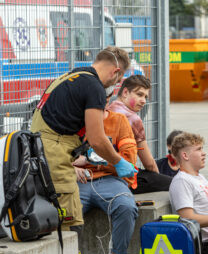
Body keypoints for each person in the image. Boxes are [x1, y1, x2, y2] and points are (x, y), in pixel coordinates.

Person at [30, 46, 137, 232]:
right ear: (116, 72)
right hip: (54, 157)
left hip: (41, 151)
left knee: (62, 223)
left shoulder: (68, 78)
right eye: (118, 80)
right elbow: (98, 139)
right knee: (69, 225)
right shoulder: (94, 87)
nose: (115, 85)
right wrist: (118, 161)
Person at [73, 105, 139, 254]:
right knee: (66, 213)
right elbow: (54, 156)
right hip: (76, 181)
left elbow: (129, 161)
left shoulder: (118, 120)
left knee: (126, 207)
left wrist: (90, 159)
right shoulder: (72, 121)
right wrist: (70, 168)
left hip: (110, 179)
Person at [107, 75, 172, 194]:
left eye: (146, 97)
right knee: (172, 183)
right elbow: (149, 163)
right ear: (125, 92)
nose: (144, 101)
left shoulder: (109, 109)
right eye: (139, 95)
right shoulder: (133, 118)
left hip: (101, 173)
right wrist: (158, 179)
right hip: (123, 178)